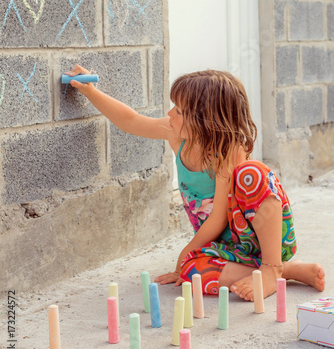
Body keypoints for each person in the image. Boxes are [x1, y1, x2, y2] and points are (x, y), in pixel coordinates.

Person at [67, 66, 325, 301]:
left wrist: (185, 251)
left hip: (259, 239)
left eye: (178, 111)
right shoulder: (176, 135)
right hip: (227, 250)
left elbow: (219, 218)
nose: (170, 115)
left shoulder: (229, 150)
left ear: (204, 120)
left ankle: (271, 267)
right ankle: (286, 270)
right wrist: (90, 91)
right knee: (192, 273)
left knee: (253, 172)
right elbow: (131, 121)